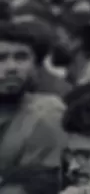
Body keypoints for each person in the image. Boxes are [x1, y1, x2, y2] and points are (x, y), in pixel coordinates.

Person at [0, 22, 64, 173]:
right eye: (1, 58)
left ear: (36, 65)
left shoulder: (48, 113)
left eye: (21, 57)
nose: (12, 68)